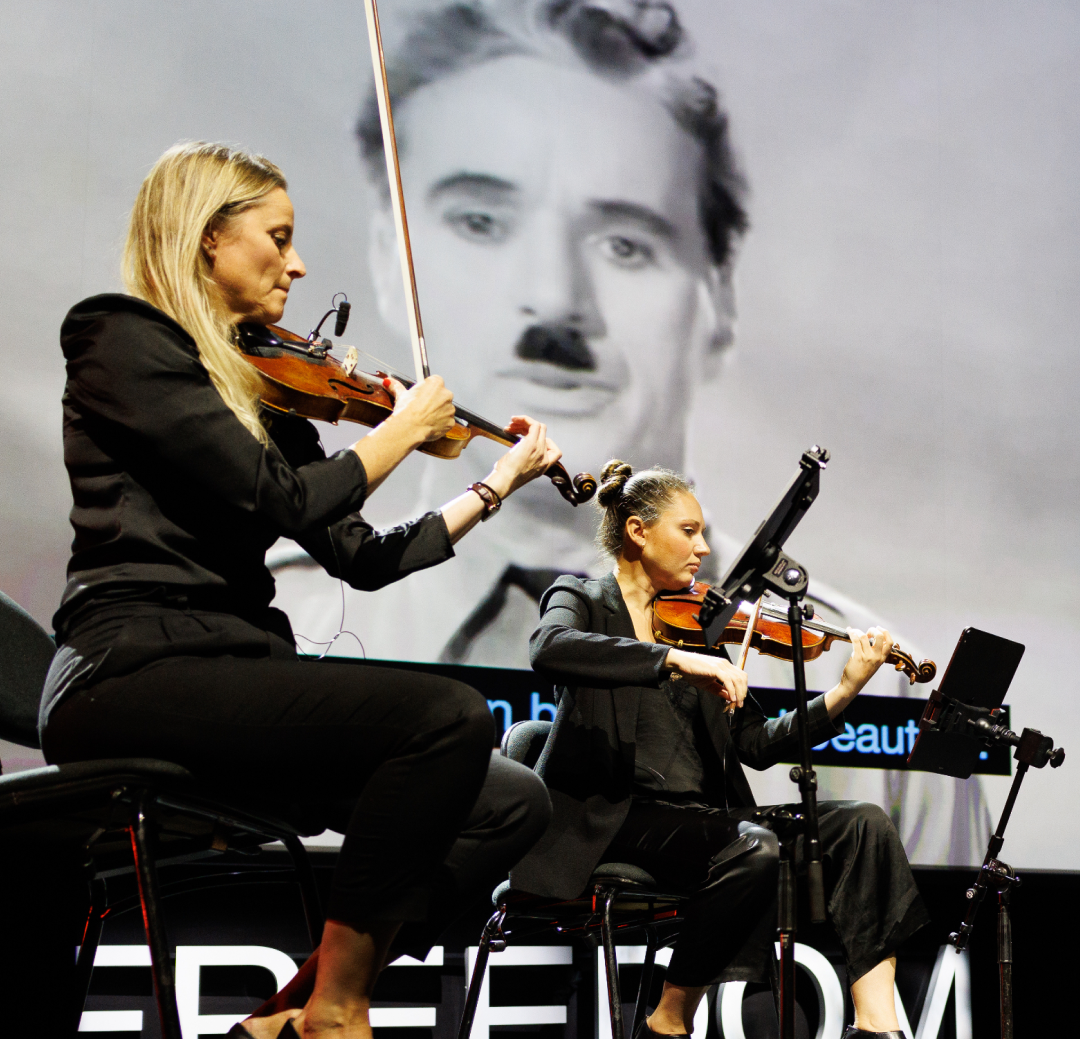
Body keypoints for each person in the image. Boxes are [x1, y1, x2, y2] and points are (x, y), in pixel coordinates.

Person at [269, 0, 991, 874]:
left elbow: (758, 746)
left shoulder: (895, 762)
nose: (556, 302)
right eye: (481, 221)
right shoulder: (297, 618)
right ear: (392, 253)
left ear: (717, 295)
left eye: (624, 242)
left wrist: (842, 685)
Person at [39, 141, 561, 1039]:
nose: (300, 264)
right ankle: (337, 1021)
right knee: (445, 716)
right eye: (279, 239)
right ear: (205, 242)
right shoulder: (119, 338)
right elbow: (270, 496)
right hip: (132, 667)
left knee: (510, 801)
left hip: (234, 678)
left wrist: (493, 487)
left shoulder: (262, 390)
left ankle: (289, 1019)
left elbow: (361, 554)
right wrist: (399, 431)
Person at [510, 460, 960, 1039]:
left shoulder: (701, 629)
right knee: (751, 846)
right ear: (637, 531)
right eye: (688, 531)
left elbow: (757, 744)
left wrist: (843, 690)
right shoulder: (582, 597)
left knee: (862, 825)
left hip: (706, 821)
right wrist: (672, 661)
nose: (703, 548)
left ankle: (878, 1030)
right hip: (615, 817)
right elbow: (548, 649)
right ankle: (666, 1026)